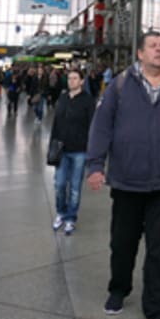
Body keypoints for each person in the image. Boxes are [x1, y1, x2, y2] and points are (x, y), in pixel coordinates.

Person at [85, 31, 160, 319]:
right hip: (127, 180)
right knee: (123, 244)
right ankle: (119, 288)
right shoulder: (120, 86)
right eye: (153, 46)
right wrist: (95, 165)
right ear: (140, 54)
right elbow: (101, 126)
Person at [50, 65, 95, 236]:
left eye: (75, 78)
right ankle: (60, 212)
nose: (72, 81)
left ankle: (71, 217)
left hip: (79, 151)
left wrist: (92, 150)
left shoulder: (88, 101)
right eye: (69, 78)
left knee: (75, 187)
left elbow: (92, 126)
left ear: (82, 81)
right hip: (61, 149)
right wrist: (52, 147)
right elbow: (55, 124)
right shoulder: (62, 99)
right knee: (59, 184)